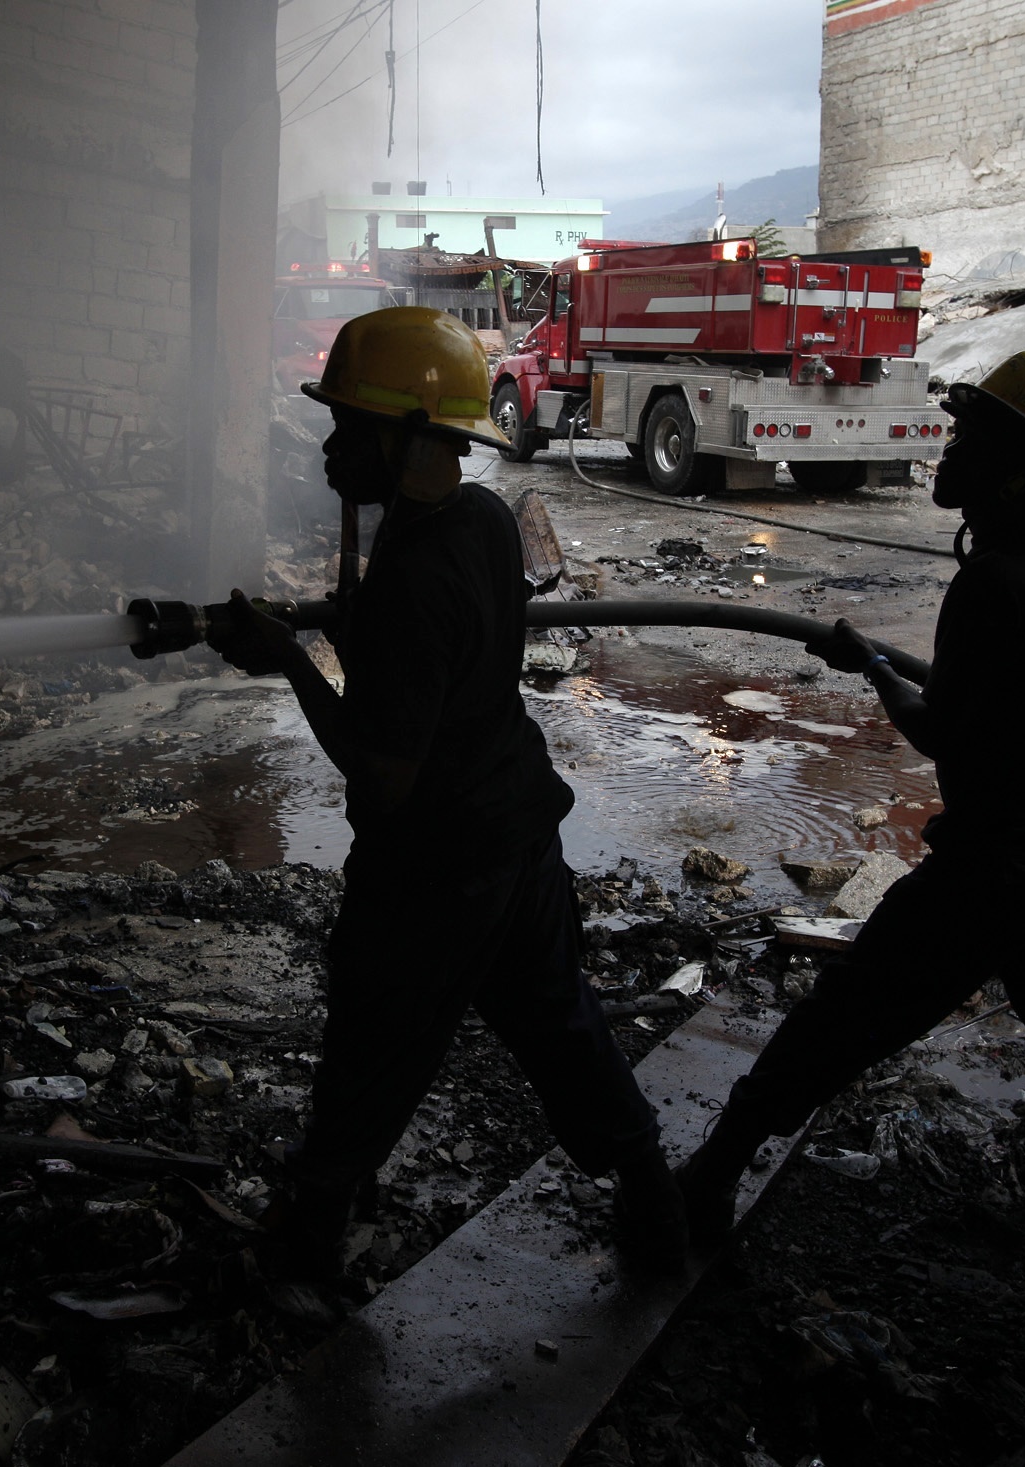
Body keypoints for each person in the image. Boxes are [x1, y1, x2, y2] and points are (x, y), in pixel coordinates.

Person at [212, 306, 686, 1282]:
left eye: (349, 427)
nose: (332, 448)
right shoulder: (473, 520)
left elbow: (384, 770)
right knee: (560, 1024)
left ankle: (308, 1238)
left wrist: (291, 661)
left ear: (410, 432)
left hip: (433, 864)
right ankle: (653, 1199)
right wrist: (347, 632)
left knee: (372, 1038)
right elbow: (441, 662)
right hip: (514, 827)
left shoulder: (417, 569)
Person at [673, 351, 1025, 1243]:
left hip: (995, 863)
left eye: (973, 436)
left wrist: (871, 669)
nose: (950, 447)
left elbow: (944, 731)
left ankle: (708, 1174)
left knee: (848, 1012)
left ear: (1020, 470)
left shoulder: (992, 583)